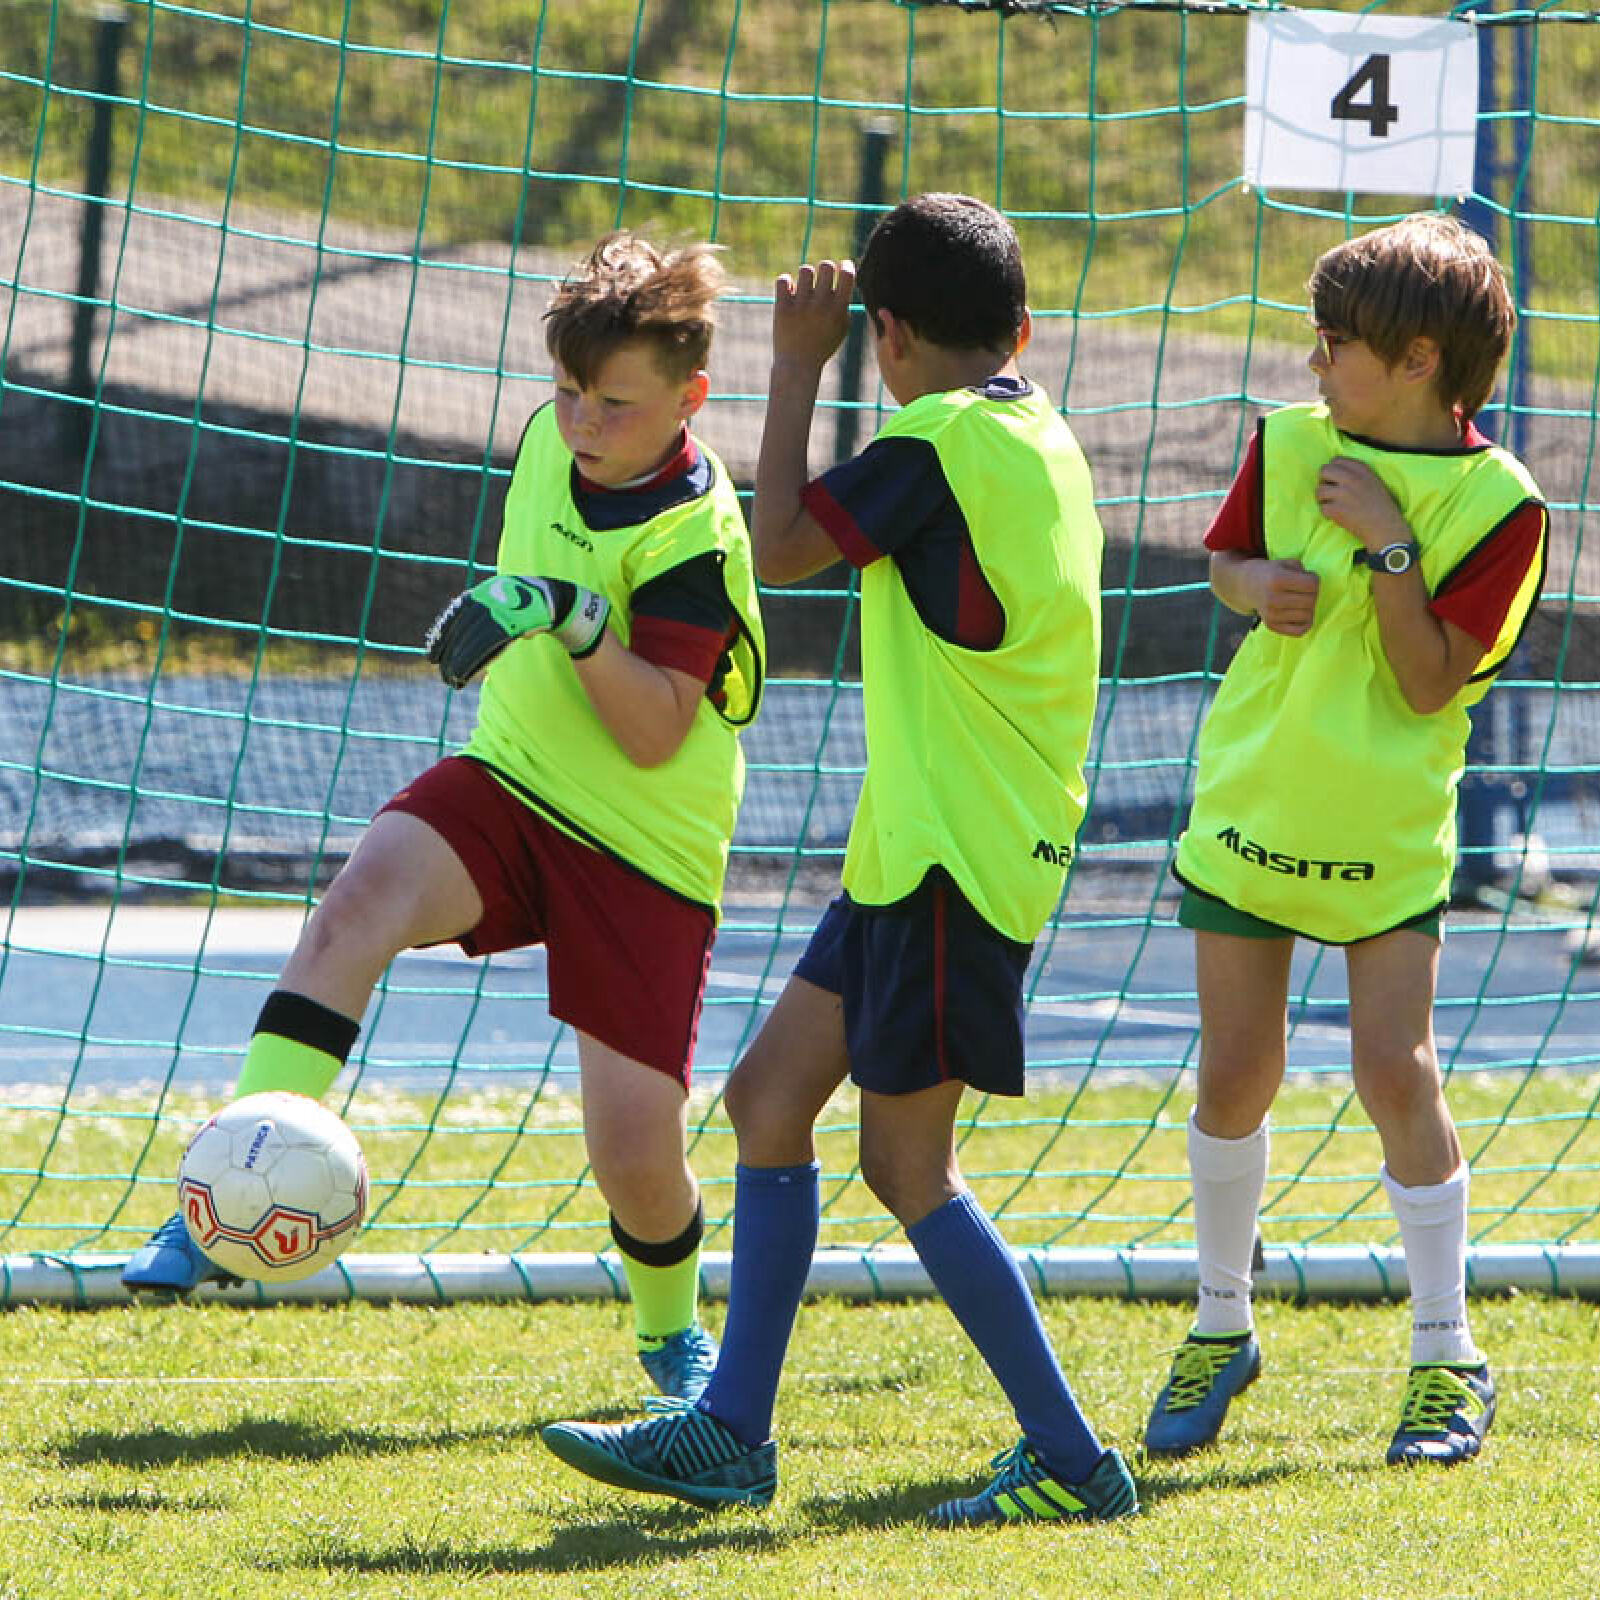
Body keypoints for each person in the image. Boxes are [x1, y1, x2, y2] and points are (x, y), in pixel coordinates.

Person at [540, 193, 1137, 1527]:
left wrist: (796, 364)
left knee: (908, 1169)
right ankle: (730, 1436)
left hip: (954, 862)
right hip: (917, 850)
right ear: (1021, 328)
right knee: (766, 1102)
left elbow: (777, 547)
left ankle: (1071, 1459)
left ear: (888, 337)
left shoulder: (937, 442)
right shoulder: (1040, 431)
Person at [123, 233, 767, 1405]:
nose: (582, 423)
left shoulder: (691, 537)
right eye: (568, 391)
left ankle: (672, 1336)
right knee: (351, 910)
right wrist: (540, 607)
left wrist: (567, 615)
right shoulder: (550, 436)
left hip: (645, 846)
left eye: (615, 405)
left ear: (691, 398)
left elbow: (652, 731)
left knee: (633, 1152)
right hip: (511, 782)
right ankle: (216, 1203)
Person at [1144, 213, 1546, 1467]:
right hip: (1252, 807)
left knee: (1394, 1072)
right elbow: (1227, 563)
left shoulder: (1503, 507)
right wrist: (1251, 585)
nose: (1311, 364)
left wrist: (1387, 543)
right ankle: (1220, 1324)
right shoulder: (1284, 441)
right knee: (1232, 1077)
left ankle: (1445, 1352)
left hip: (1384, 833)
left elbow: (1427, 682)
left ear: (1419, 360)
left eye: (1334, 345)